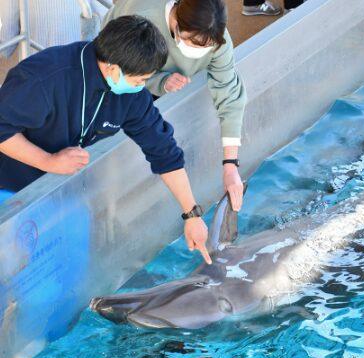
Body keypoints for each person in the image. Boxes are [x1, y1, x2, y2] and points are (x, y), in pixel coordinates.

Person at [0, 16, 213, 264]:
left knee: (59, 266)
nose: (142, 87)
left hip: (57, 190)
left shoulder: (130, 95)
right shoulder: (43, 78)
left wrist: (192, 215)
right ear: (113, 69)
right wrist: (48, 161)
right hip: (8, 184)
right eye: (139, 80)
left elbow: (163, 150)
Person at [104, 0, 245, 211]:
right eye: (195, 43)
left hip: (167, 75)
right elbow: (116, 66)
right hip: (123, 65)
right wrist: (160, 81)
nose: (202, 50)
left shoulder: (217, 37)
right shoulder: (142, 16)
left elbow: (230, 94)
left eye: (208, 46)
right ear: (177, 22)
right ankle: (115, 205)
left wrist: (231, 165)